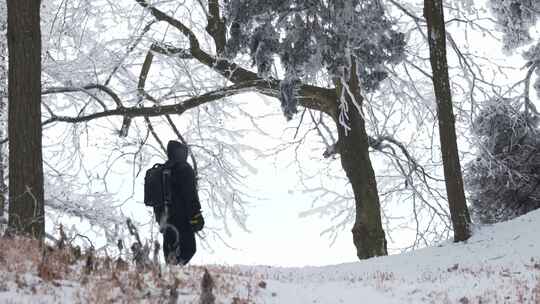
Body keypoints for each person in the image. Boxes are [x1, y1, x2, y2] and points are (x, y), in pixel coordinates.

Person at [155, 140, 203, 265]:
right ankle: (176, 276)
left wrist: (159, 218)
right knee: (189, 249)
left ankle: (171, 276)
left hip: (164, 216)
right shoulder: (185, 169)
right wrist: (196, 216)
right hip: (182, 217)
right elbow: (190, 195)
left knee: (170, 249)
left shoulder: (162, 169)